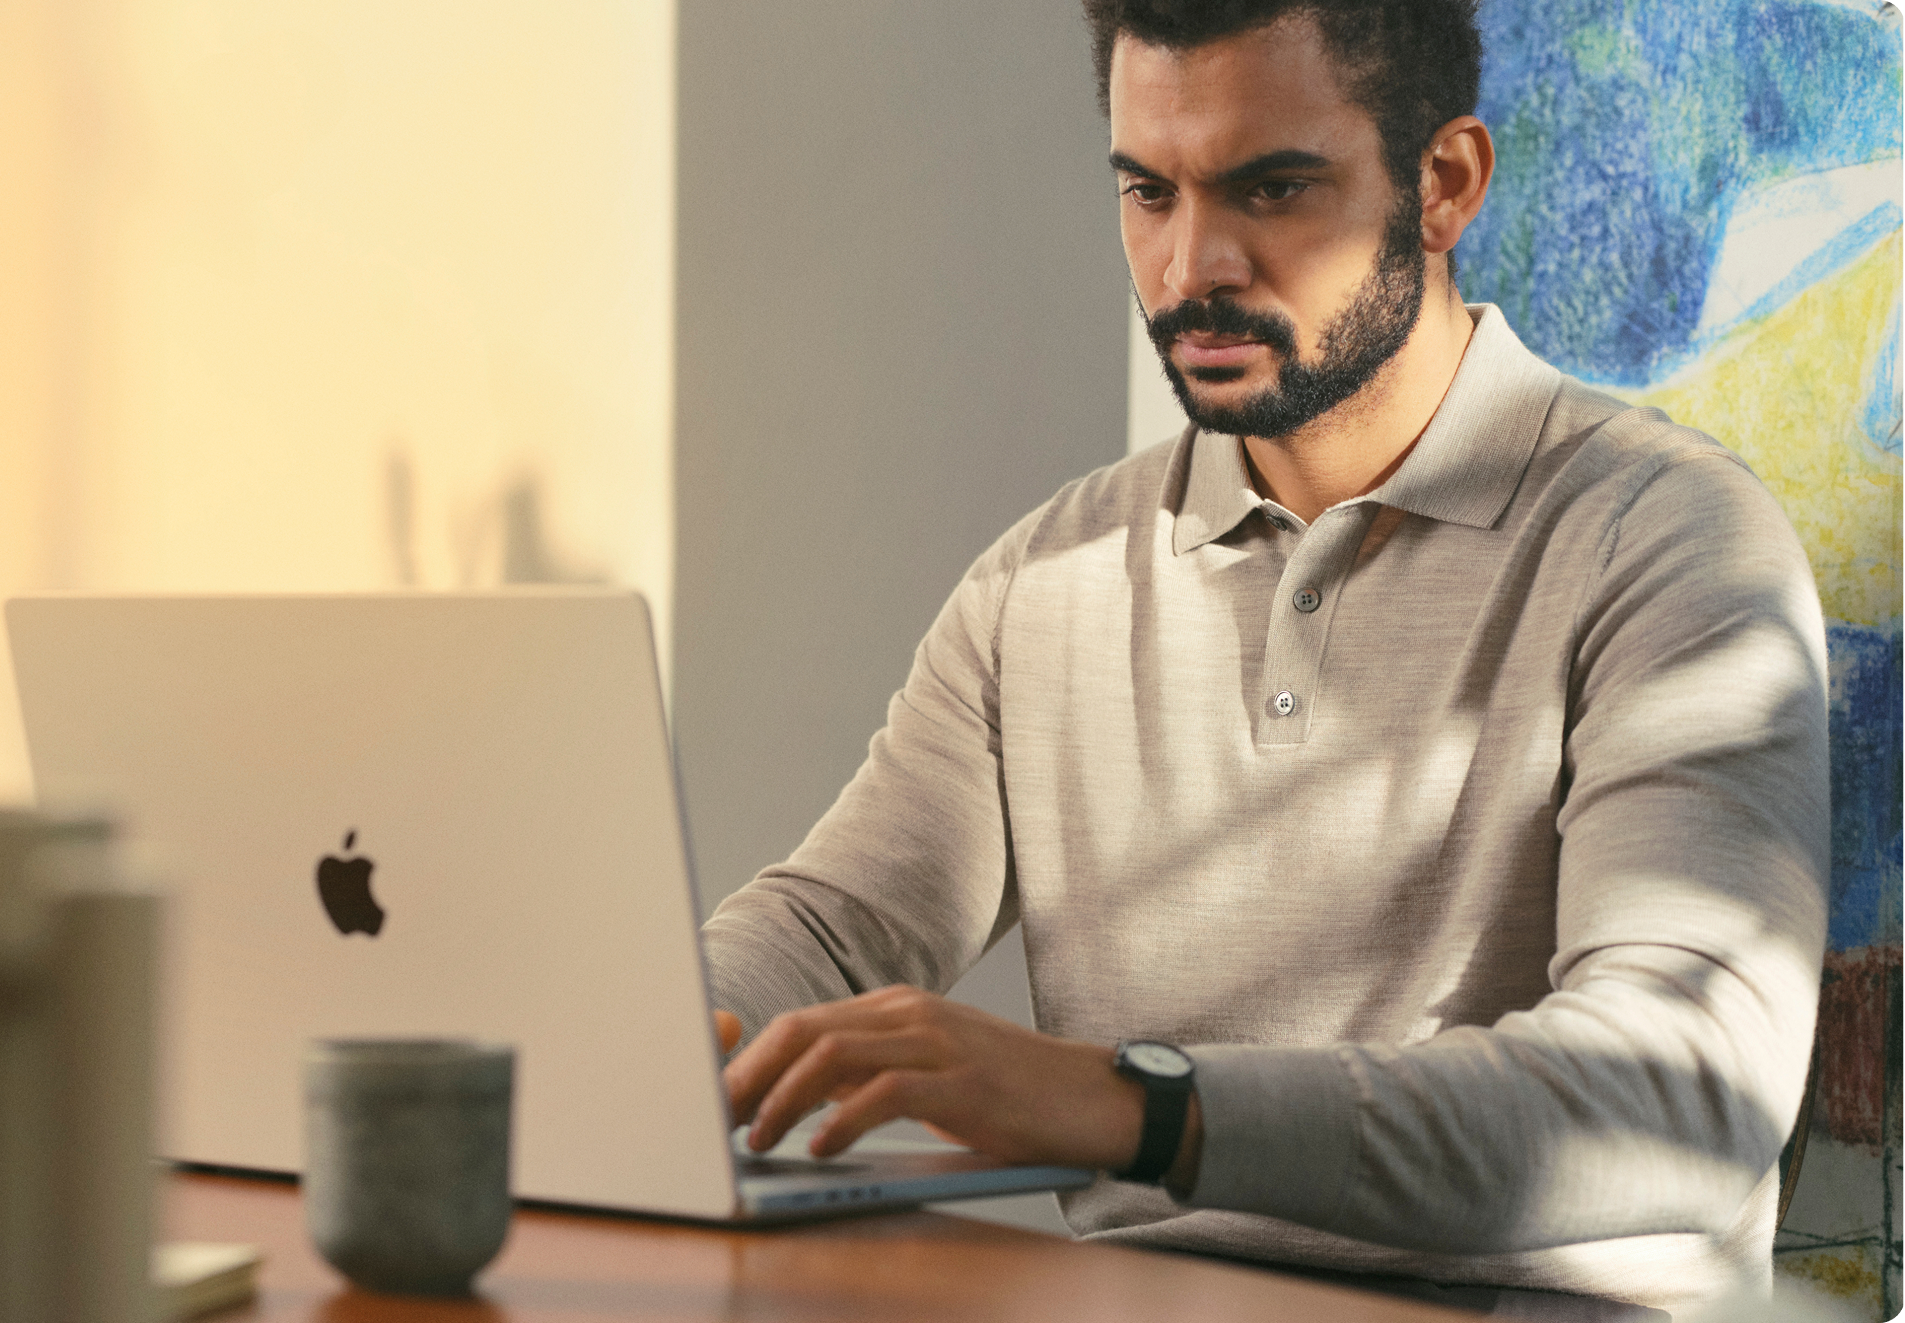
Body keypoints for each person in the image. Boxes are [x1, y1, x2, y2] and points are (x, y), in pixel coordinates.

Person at [696, 1, 1829, 1317]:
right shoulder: (1047, 578)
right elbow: (830, 930)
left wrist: (1138, 1105)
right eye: (1147, 191)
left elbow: (1689, 1091)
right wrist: (628, 1044)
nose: (1191, 266)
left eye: (1273, 187)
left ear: (1442, 184)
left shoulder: (1667, 543)